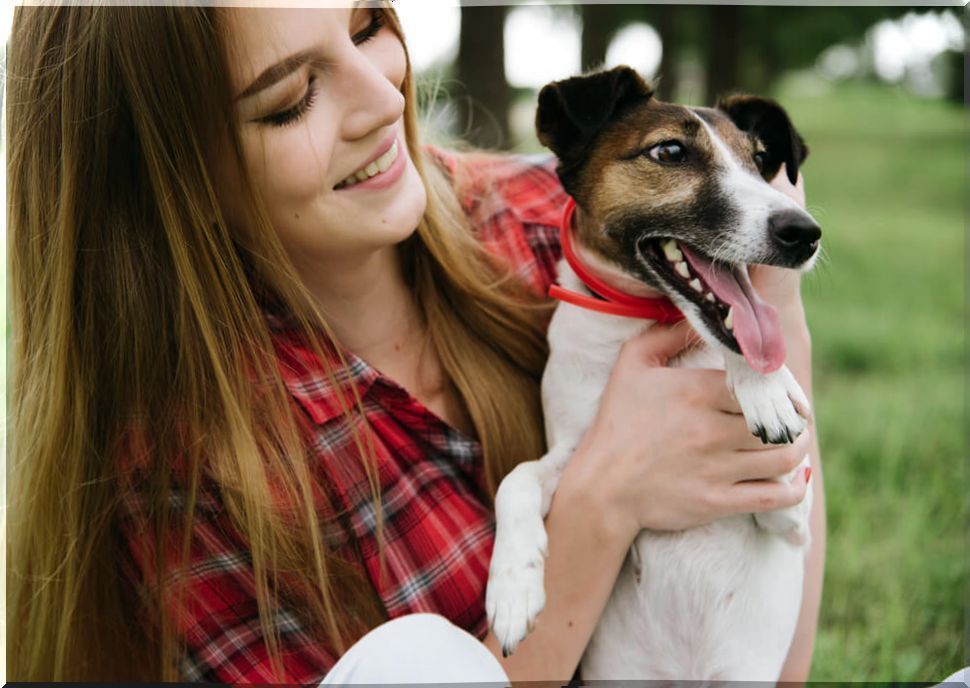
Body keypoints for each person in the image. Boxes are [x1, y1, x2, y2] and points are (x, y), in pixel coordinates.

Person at [5, 3, 824, 684]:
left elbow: (775, 643)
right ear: (176, 185)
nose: (380, 96)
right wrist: (602, 505)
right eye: (291, 99)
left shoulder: (558, 222)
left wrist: (772, 309)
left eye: (366, 27)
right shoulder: (187, 485)